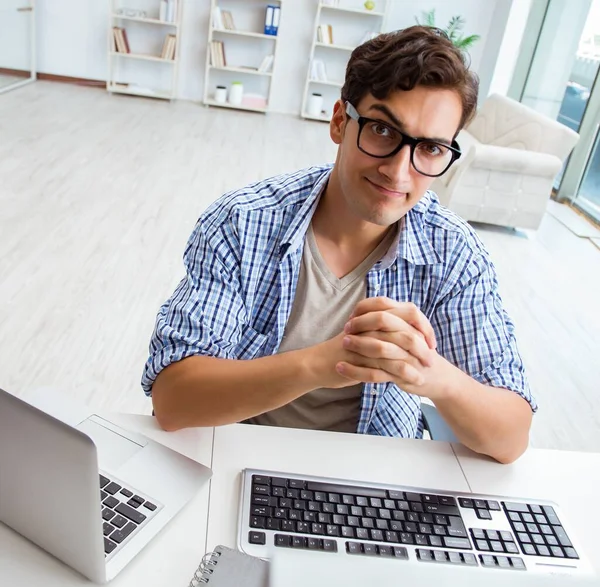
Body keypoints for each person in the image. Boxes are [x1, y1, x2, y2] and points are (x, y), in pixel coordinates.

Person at [142, 26, 536, 464]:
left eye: (429, 148)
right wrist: (324, 363)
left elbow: (511, 436)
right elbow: (173, 401)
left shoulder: (454, 253)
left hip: (373, 474)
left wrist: (433, 375)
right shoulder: (243, 222)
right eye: (383, 131)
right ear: (339, 122)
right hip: (240, 459)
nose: (399, 172)